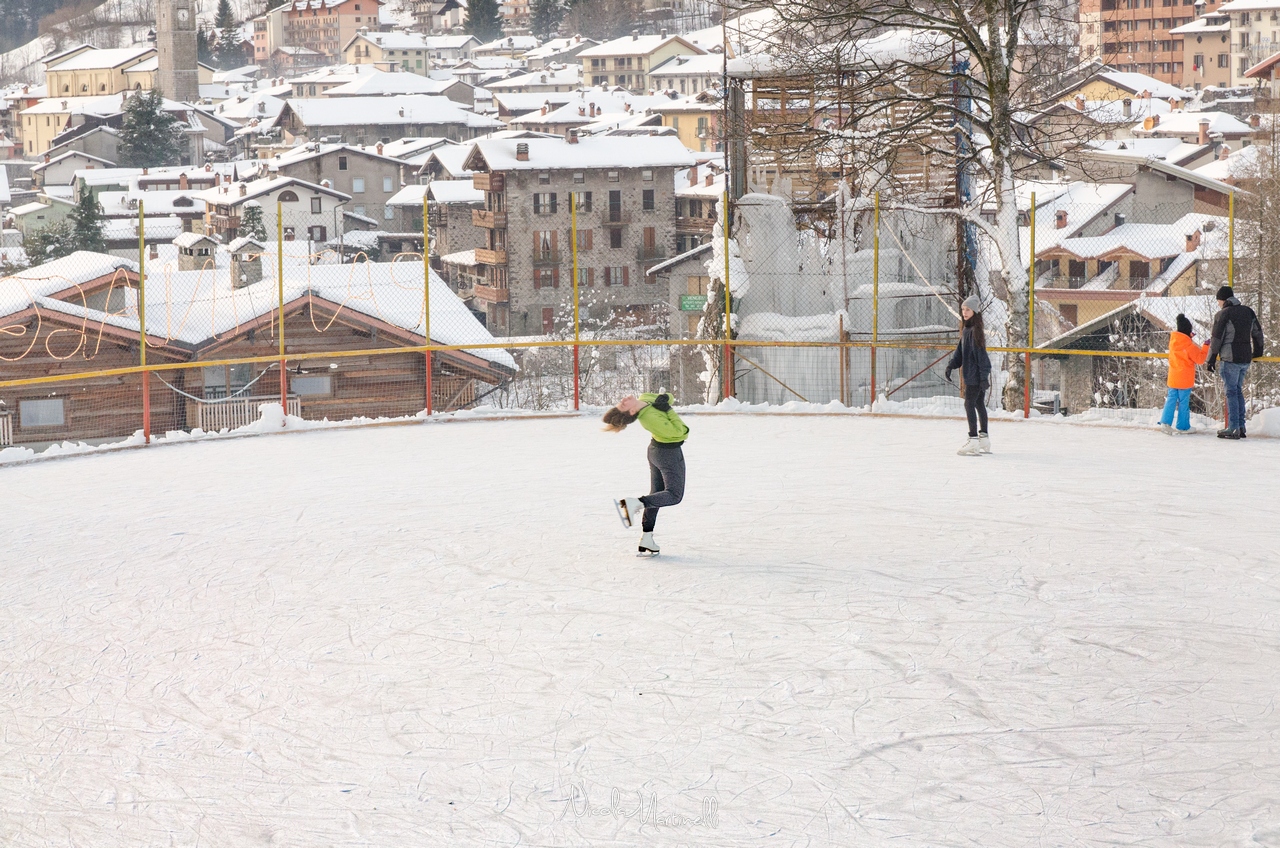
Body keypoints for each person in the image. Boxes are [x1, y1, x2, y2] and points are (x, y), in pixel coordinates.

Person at [602, 392, 689, 556]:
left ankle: (647, 538)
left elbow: (669, 397)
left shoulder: (644, 398)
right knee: (674, 495)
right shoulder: (649, 419)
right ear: (632, 412)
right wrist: (668, 410)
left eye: (621, 401)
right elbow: (682, 432)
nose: (623, 399)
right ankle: (634, 503)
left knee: (656, 494)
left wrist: (665, 398)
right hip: (667, 455)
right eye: (623, 404)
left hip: (656, 451)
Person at [1207, 285, 1264, 440]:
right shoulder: (1248, 311)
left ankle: (1233, 428)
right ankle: (1240, 426)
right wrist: (1258, 352)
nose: (1218, 304)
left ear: (1223, 300)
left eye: (1218, 301)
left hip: (1230, 359)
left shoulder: (1223, 314)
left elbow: (1216, 338)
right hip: (1245, 358)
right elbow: (1258, 333)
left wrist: (1211, 359)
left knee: (1231, 392)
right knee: (1238, 391)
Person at [944, 295, 993, 456]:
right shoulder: (967, 330)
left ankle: (973, 439)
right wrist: (951, 365)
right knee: (978, 404)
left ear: (975, 312)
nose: (964, 312)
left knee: (969, 404)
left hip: (975, 377)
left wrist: (983, 377)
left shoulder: (975, 332)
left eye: (968, 309)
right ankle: (983, 438)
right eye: (963, 309)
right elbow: (960, 352)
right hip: (972, 375)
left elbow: (983, 358)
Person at [1159, 313, 1210, 435]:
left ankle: (1165, 423)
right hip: (1185, 380)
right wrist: (1205, 346)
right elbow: (1200, 359)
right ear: (1188, 331)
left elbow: (1182, 341)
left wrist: (1188, 337)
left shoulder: (1173, 343)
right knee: (1183, 403)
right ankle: (1183, 426)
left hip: (1173, 378)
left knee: (1171, 400)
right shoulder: (1189, 346)